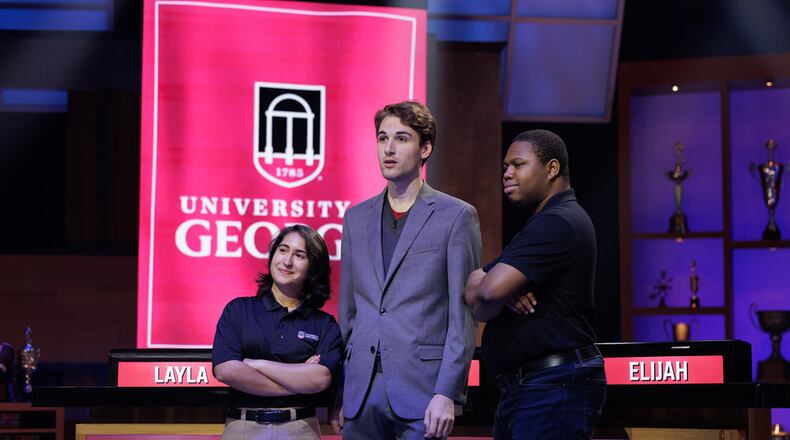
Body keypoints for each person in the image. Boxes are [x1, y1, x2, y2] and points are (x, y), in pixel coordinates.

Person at [334, 101, 480, 439]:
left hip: (424, 393)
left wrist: (447, 393)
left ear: (425, 148)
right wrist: (342, 391)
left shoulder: (456, 216)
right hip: (361, 392)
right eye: (382, 137)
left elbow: (463, 318)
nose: (388, 148)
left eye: (401, 138)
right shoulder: (356, 218)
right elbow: (349, 312)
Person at [464, 130, 606, 440]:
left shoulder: (556, 222)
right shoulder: (544, 221)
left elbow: (486, 294)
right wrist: (502, 290)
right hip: (534, 387)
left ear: (551, 169)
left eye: (518, 164)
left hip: (551, 386)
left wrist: (500, 290)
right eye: (505, 167)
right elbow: (473, 285)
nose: (507, 174)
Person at [212, 224, 344, 440]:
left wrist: (257, 364)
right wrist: (297, 381)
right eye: (283, 250)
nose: (287, 261)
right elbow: (226, 370)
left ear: (313, 267)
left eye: (299, 255)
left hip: (301, 428)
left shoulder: (324, 324)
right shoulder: (238, 309)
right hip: (243, 427)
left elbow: (319, 379)